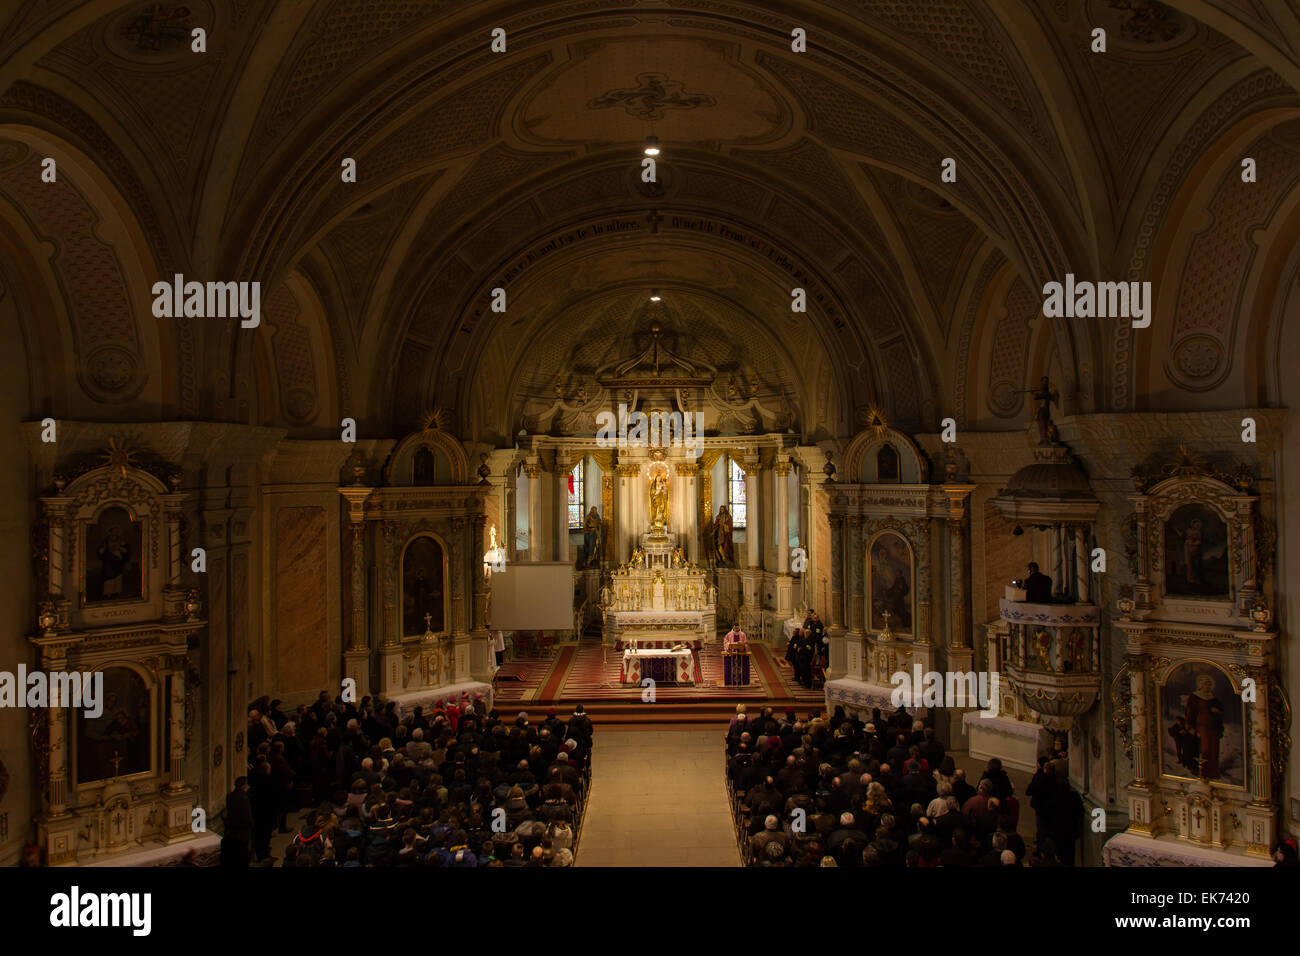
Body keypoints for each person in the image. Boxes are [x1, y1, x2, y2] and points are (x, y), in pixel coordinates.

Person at [222, 776, 254, 868]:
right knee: (243, 848)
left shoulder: (230, 795)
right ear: (244, 785)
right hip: (242, 828)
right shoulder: (244, 797)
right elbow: (246, 814)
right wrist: (251, 823)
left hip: (232, 826)